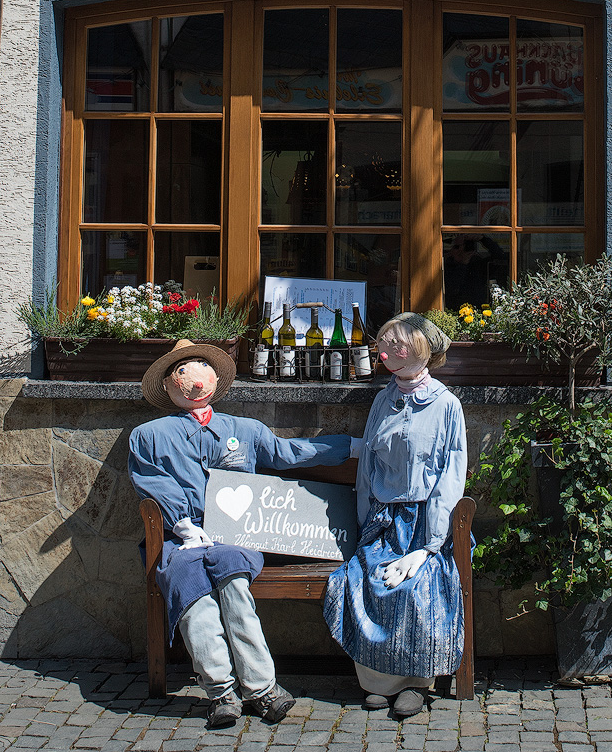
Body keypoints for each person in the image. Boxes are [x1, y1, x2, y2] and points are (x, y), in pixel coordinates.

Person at [128, 339, 354, 728]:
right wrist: (183, 524)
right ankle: (220, 692)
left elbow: (288, 454)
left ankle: (262, 689)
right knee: (189, 588)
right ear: (167, 386)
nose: (194, 382)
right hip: (180, 543)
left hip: (235, 536)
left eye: (202, 370)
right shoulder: (148, 436)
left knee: (233, 582)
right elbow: (151, 481)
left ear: (216, 379)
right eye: (182, 373)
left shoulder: (244, 430)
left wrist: (349, 447)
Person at [323, 313, 468, 718]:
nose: (386, 350)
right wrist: (366, 525)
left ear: (422, 349)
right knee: (366, 578)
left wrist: (427, 547)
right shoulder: (382, 400)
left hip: (426, 524)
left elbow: (450, 477)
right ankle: (377, 682)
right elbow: (368, 465)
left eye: (397, 343)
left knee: (421, 586)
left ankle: (417, 684)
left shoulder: (446, 405)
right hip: (384, 522)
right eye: (384, 342)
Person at [443, 233, 505, 310]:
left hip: (479, 311)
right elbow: (452, 289)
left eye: (465, 247)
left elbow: (500, 257)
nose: (460, 251)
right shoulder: (447, 265)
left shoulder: (479, 264)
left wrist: (483, 239)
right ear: (451, 250)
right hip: (454, 310)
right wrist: (463, 265)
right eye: (456, 247)